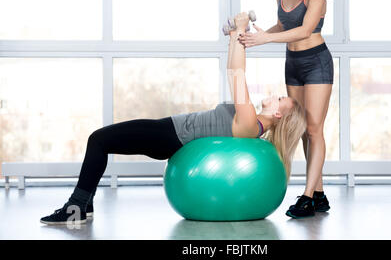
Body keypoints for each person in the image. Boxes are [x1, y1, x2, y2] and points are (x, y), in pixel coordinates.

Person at [40, 12, 307, 225]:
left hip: (169, 136)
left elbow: (236, 73)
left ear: (277, 114)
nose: (275, 95)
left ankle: (75, 208)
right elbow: (232, 68)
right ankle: (84, 205)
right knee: (100, 141)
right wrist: (235, 35)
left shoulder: (250, 123)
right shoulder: (251, 125)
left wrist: (239, 31)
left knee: (98, 140)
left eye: (280, 98)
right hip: (168, 132)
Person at [238, 0, 333, 218]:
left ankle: (306, 197)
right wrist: (256, 38)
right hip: (293, 63)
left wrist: (266, 40)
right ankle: (319, 194)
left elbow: (304, 30)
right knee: (303, 128)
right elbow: (283, 27)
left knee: (314, 129)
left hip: (317, 63)